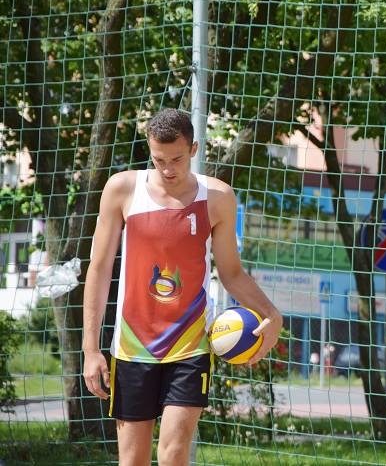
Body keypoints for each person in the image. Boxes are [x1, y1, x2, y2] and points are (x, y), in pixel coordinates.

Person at [82, 109, 283, 466]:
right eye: (159, 160)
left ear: (193, 149)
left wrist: (271, 314)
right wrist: (90, 349)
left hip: (190, 345)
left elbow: (232, 273)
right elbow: (98, 270)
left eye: (176, 159)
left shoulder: (218, 198)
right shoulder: (122, 190)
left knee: (174, 453)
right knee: (132, 460)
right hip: (132, 347)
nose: (167, 169)